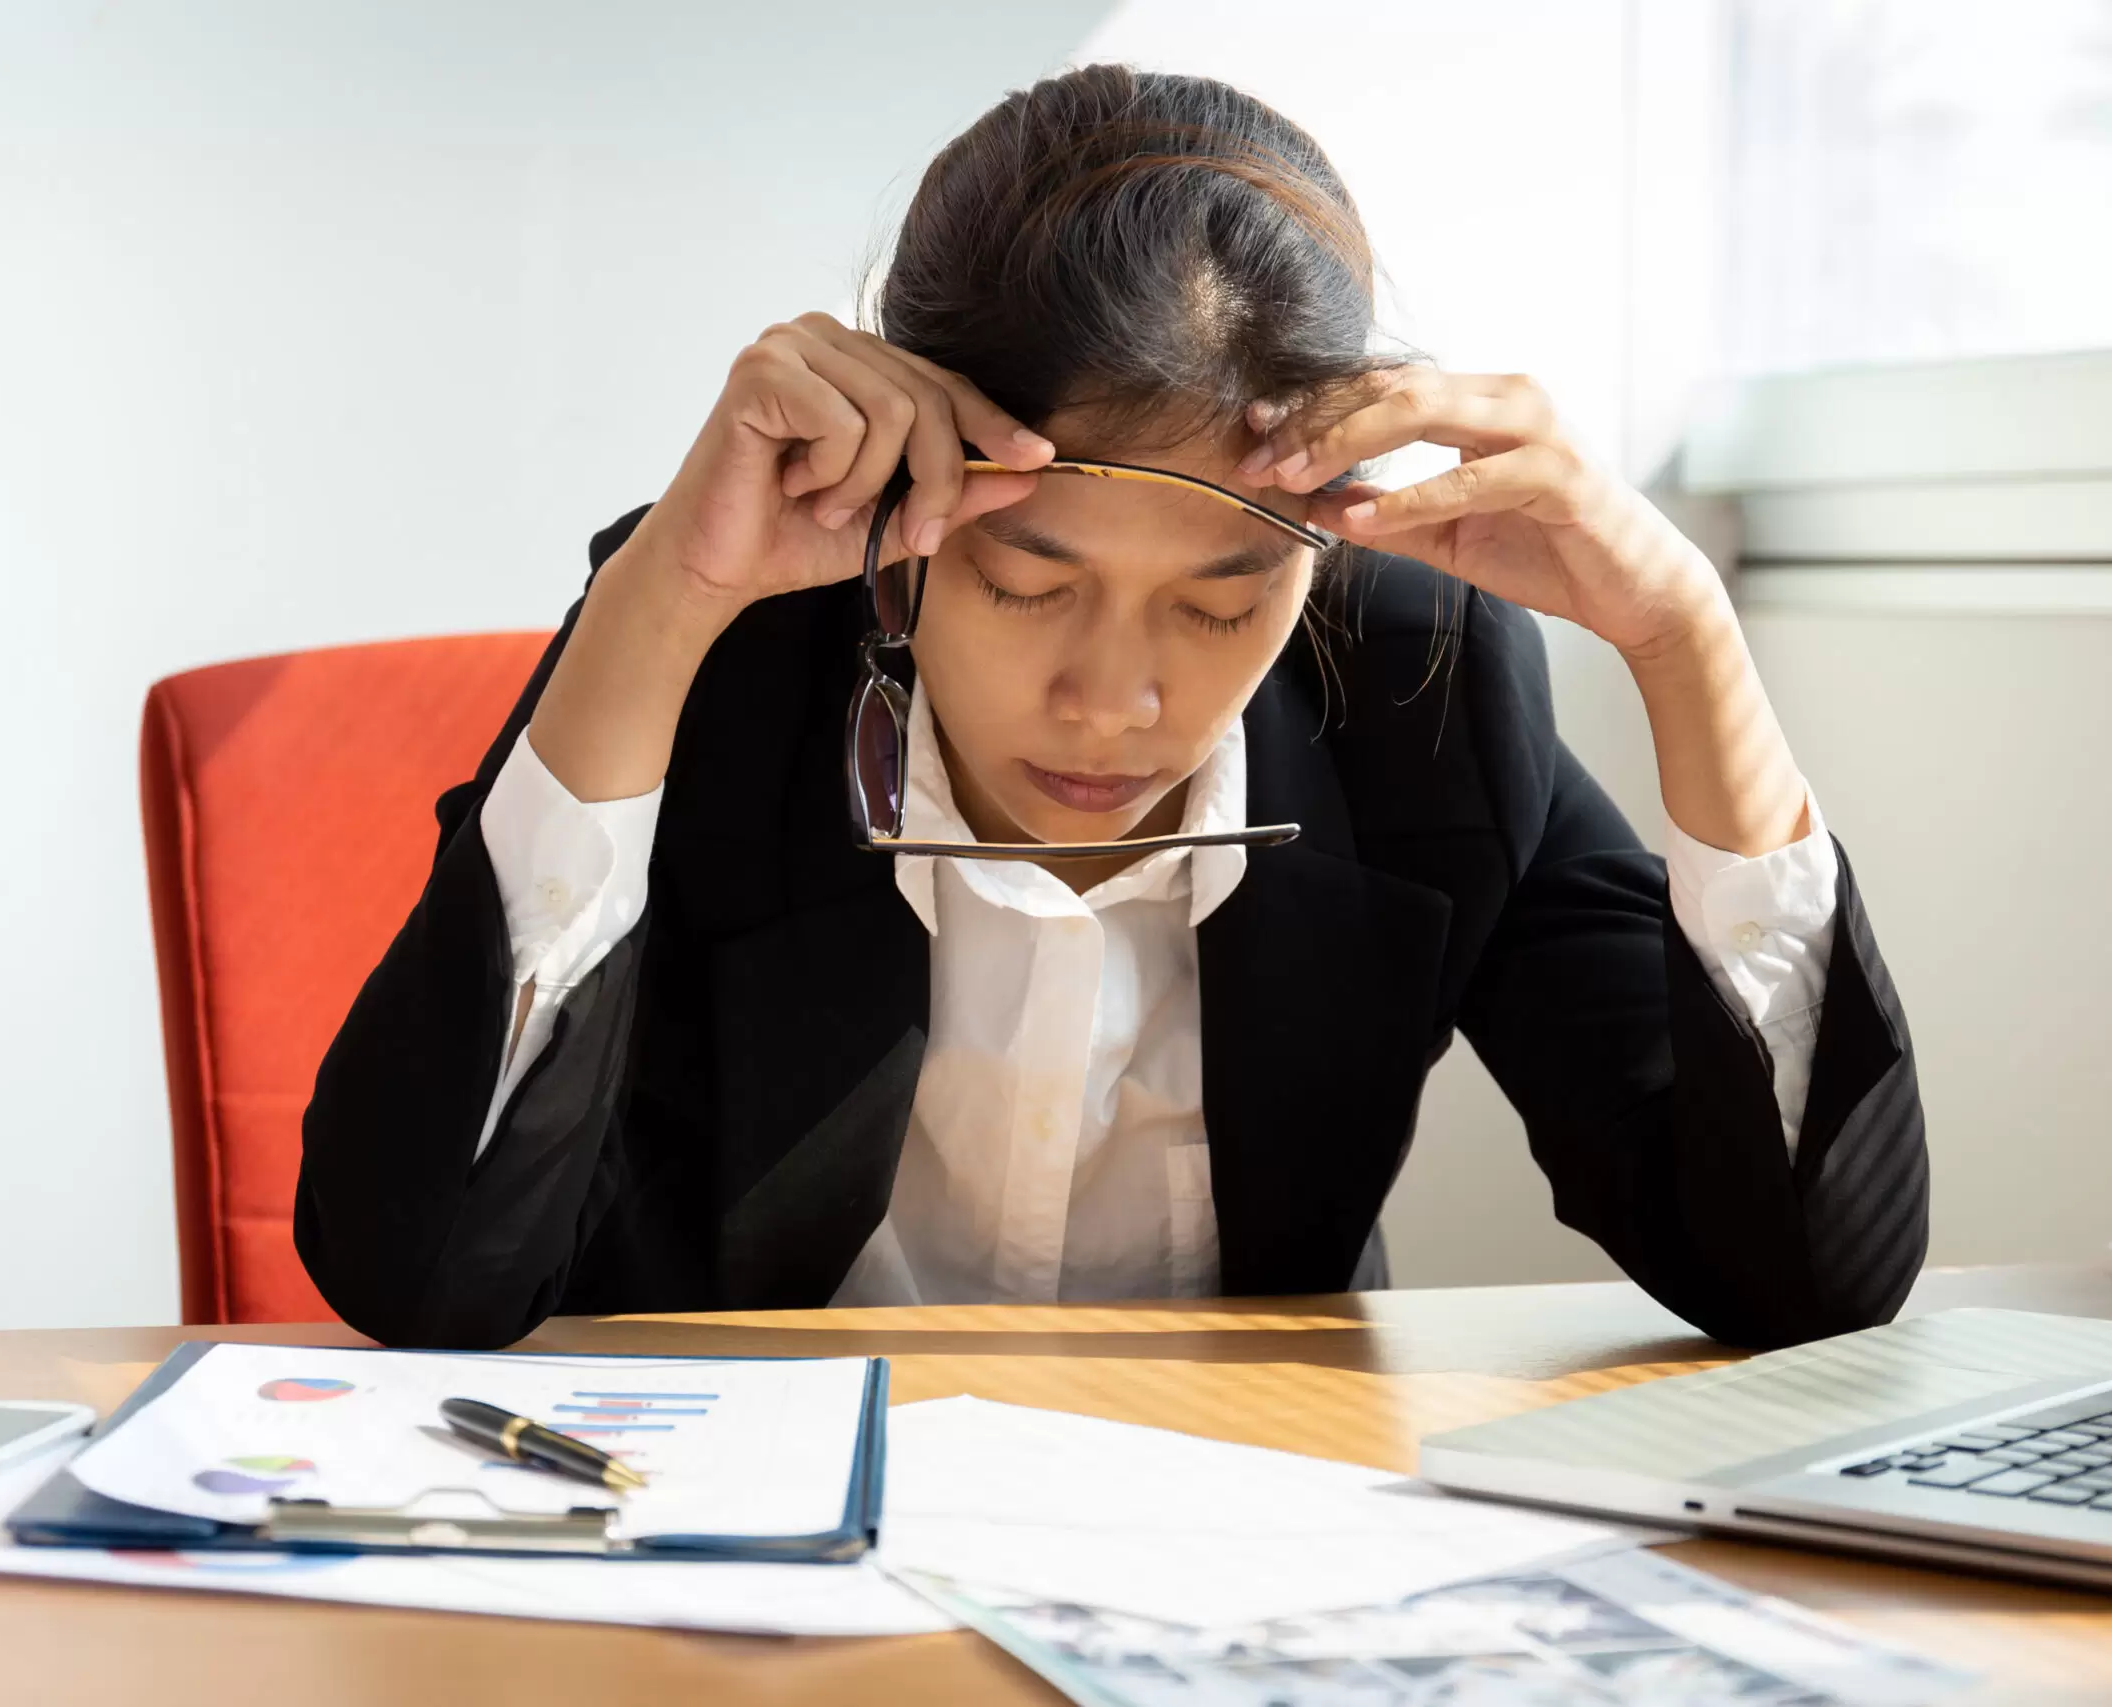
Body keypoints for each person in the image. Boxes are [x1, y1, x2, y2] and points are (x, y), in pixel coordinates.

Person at [297, 65, 1924, 1353]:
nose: (1117, 698)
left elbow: (1802, 1275)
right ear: (907, 508)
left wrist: (1685, 639)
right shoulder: (716, 663)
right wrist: (656, 605)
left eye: (1225, 599)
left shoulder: (1416, 699)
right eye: (1025, 582)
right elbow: (417, 1270)